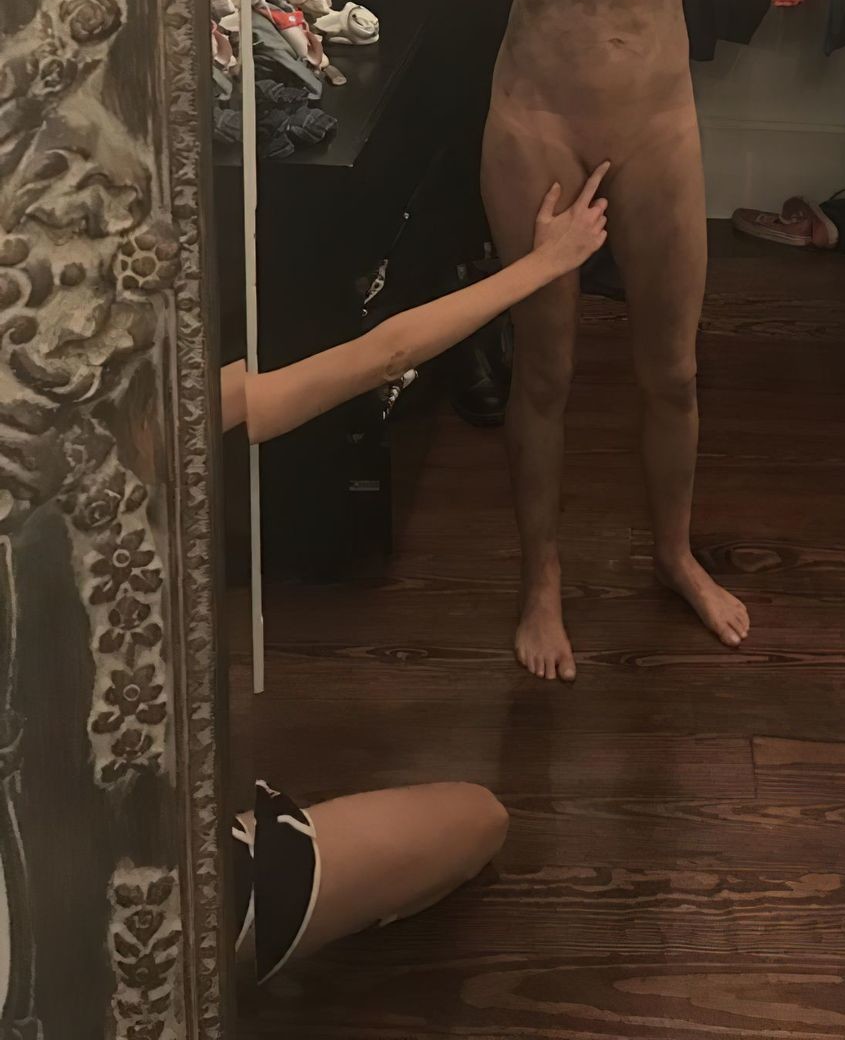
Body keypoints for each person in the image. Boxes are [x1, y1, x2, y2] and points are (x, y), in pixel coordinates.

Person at [435, 0, 790, 681]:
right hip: (535, 118)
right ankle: (541, 582)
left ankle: (675, 554)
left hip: (657, 121)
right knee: (543, 373)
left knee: (671, 370)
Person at [224, 166, 608, 980]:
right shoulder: (139, 394)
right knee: (481, 820)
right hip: (200, 897)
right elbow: (382, 354)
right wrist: (545, 263)